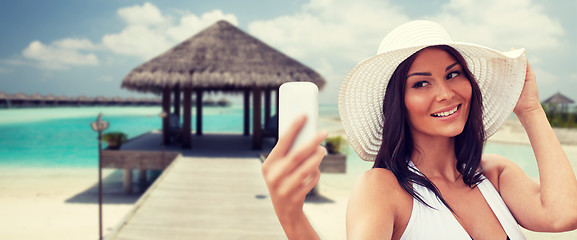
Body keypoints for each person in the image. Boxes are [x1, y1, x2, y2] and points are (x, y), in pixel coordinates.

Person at [261, 20, 577, 239]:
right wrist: (291, 217)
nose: (445, 93)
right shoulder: (383, 188)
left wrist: (530, 109)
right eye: (421, 83)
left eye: (453, 75)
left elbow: (563, 215)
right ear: (398, 102)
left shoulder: (493, 174)